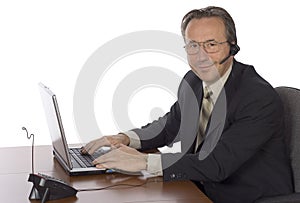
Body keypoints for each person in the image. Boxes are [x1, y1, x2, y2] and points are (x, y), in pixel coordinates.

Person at [81, 6, 293, 203]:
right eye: (193, 46)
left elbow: (216, 164)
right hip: (197, 187)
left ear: (232, 47)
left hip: (244, 196)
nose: (201, 56)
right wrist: (125, 138)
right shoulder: (193, 81)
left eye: (211, 45)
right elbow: (170, 125)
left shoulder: (257, 97)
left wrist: (144, 163)